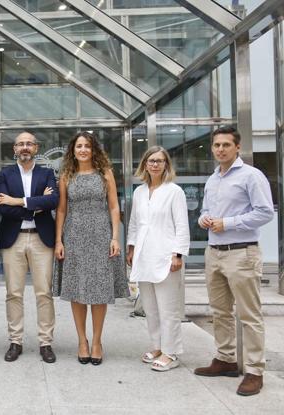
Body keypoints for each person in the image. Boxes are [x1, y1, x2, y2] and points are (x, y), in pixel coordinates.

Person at [194, 126, 274, 396]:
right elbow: (206, 210)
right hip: (214, 251)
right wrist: (203, 219)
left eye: (226, 145)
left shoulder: (252, 176)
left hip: (242, 252)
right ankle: (225, 358)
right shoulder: (213, 178)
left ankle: (254, 371)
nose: (220, 149)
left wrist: (227, 223)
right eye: (217, 145)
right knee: (220, 311)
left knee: (249, 315)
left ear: (237, 147)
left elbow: (265, 212)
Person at [53, 131, 129, 365]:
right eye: (79, 146)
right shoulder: (67, 175)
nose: (83, 150)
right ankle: (82, 341)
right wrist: (59, 240)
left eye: (87, 146)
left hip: (100, 235)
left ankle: (96, 341)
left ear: (93, 149)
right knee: (77, 290)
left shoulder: (105, 173)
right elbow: (62, 210)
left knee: (98, 291)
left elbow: (114, 207)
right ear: (73, 151)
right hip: (74, 235)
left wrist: (115, 237)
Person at [0, 132, 58, 364]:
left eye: (29, 143)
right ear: (14, 149)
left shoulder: (47, 173)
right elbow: (2, 207)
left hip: (42, 240)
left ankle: (46, 343)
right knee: (13, 293)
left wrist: (18, 201)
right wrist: (34, 204)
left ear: (36, 147)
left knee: (44, 292)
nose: (25, 147)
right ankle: (16, 341)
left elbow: (53, 201)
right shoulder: (4, 174)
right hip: (14, 239)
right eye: (21, 144)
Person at [126, 146, 190, 372]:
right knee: (150, 308)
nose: (155, 164)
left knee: (168, 309)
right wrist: (131, 248)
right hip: (144, 256)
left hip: (166, 257)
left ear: (166, 165)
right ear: (144, 164)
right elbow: (134, 223)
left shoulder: (174, 191)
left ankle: (171, 352)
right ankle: (157, 346)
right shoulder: (139, 192)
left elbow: (182, 225)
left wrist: (178, 254)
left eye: (160, 161)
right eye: (151, 160)